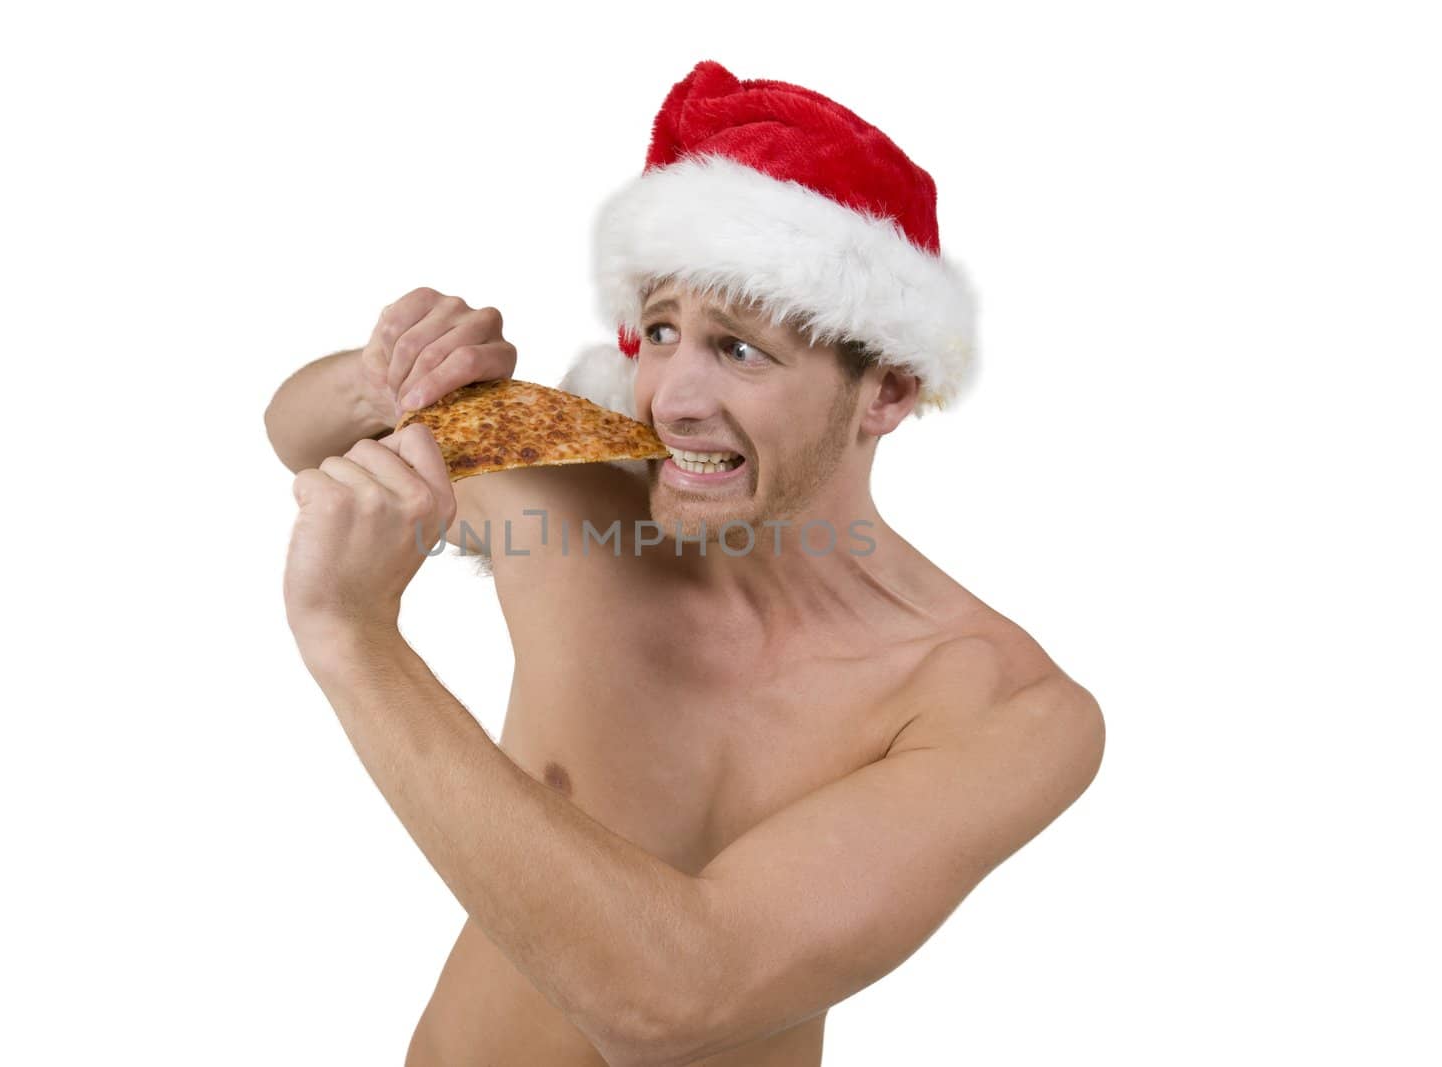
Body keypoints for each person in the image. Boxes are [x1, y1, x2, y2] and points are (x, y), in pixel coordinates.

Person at [264, 59, 1104, 1067]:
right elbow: (301, 432)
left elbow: (675, 998)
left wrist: (354, 644)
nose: (670, 398)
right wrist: (386, 375)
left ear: (883, 392)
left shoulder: (998, 707)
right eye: (660, 330)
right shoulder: (574, 501)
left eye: (741, 349)